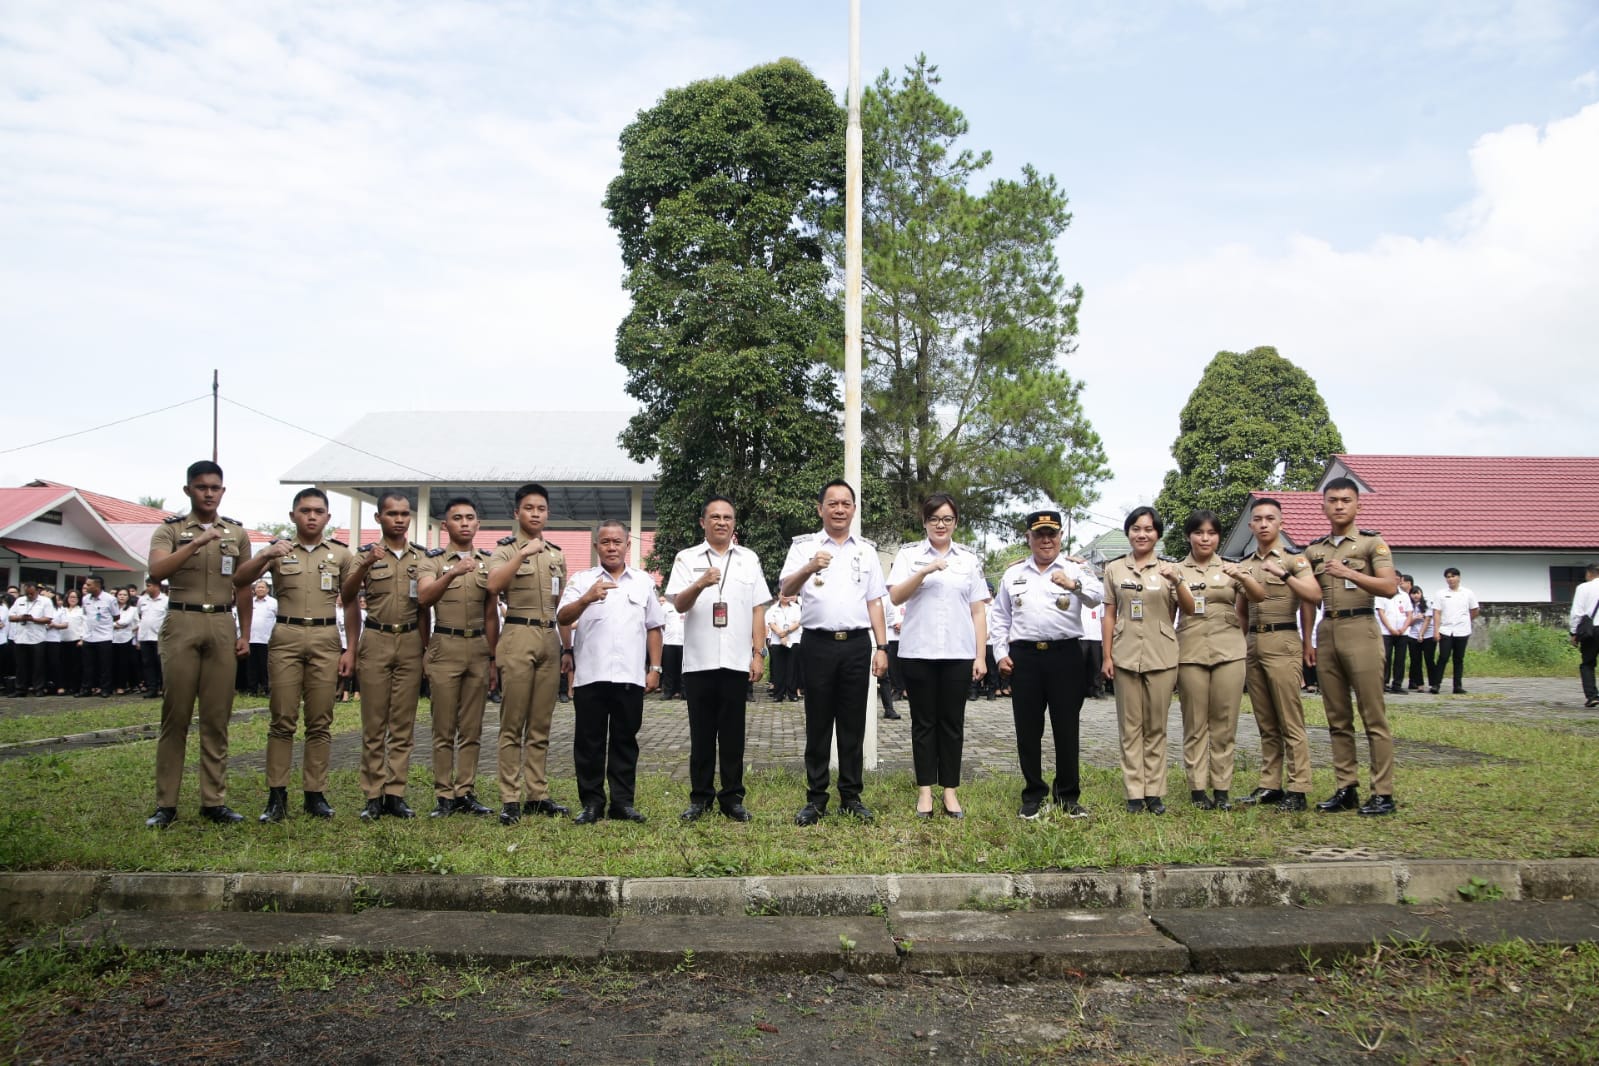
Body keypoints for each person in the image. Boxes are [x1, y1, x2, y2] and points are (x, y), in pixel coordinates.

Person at [231, 488, 357, 822]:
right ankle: (277, 795)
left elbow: (353, 602)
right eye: (304, 510)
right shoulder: (277, 550)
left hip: (326, 636)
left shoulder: (341, 555)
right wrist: (264, 555)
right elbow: (240, 580)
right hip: (286, 635)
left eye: (318, 511)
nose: (311, 516)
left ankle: (315, 794)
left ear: (328, 518)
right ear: (293, 515)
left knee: (320, 720)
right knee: (282, 718)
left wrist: (352, 648)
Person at [145, 460, 254, 828]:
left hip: (222, 623)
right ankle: (166, 804)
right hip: (182, 620)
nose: (209, 493)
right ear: (188, 490)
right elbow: (157, 572)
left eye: (215, 488)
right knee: (175, 716)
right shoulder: (170, 530)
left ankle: (213, 801)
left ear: (223, 491)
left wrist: (244, 633)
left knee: (216, 717)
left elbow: (243, 584)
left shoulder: (236, 534)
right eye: (202, 487)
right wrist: (197, 544)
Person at [778, 479, 890, 826]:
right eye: (832, 504)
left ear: (854, 510)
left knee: (853, 724)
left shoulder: (866, 551)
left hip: (857, 645)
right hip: (817, 645)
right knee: (819, 722)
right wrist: (810, 566)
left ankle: (851, 796)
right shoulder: (804, 547)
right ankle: (816, 798)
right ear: (820, 509)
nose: (839, 509)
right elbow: (785, 589)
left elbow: (875, 602)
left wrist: (882, 647)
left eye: (846, 504)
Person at [991, 509, 1101, 820]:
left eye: (1052, 534)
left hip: (1065, 655)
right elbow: (1000, 617)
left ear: (1061, 537)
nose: (1046, 540)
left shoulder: (1075, 568)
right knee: (1027, 729)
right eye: (1039, 534)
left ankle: (1067, 795)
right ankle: (1033, 794)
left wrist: (1073, 585)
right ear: (1028, 537)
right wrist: (1000, 654)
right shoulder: (1013, 574)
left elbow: (1098, 597)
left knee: (1067, 728)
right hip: (1024, 657)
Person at [666, 496, 770, 822]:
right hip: (699, 660)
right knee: (701, 734)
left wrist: (758, 654)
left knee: (732, 734)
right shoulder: (686, 558)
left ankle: (732, 798)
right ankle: (700, 798)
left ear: (734, 523)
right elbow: (680, 604)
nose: (721, 522)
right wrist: (700, 582)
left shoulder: (748, 559)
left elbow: (757, 609)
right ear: (703, 522)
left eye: (727, 517)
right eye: (715, 517)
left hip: (737, 661)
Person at [886, 494, 990, 820]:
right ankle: (925, 792)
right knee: (923, 723)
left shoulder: (969, 560)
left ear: (955, 522)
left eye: (946, 519)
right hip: (918, 651)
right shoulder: (909, 555)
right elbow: (895, 595)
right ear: (925, 522)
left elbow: (978, 611)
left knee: (952, 724)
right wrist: (925, 571)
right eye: (934, 519)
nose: (940, 525)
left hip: (958, 653)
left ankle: (950, 791)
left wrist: (980, 655)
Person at [557, 520, 664, 824]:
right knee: (588, 742)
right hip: (591, 675)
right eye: (605, 542)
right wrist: (586, 598)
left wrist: (655, 668)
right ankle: (591, 803)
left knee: (625, 741)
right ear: (597, 547)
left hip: (630, 676)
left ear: (628, 546)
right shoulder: (582, 580)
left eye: (618, 542)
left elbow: (654, 627)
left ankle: (622, 803)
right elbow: (562, 616)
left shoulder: (642, 581)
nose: (612, 547)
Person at [1303, 476, 1399, 816]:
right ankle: (1347, 787)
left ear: (1358, 504)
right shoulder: (1314, 550)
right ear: (1324, 505)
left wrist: (1350, 573)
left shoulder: (1374, 544)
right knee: (1337, 717)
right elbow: (1308, 599)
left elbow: (1389, 587)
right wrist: (1307, 641)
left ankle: (1383, 792)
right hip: (1327, 629)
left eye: (1346, 499)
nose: (1339, 505)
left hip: (1362, 627)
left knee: (1373, 715)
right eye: (1333, 500)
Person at [486, 483, 570, 824]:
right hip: (517, 633)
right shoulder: (504, 551)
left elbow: (560, 603)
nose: (536, 514)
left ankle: (537, 793)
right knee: (513, 722)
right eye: (529, 508)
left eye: (541, 509)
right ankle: (510, 797)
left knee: (540, 723)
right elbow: (493, 587)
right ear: (516, 513)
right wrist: (523, 553)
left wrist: (568, 648)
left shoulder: (556, 554)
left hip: (549, 637)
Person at [342, 492, 429, 821]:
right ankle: (373, 794)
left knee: (403, 723)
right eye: (392, 514)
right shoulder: (364, 554)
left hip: (409, 640)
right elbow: (347, 595)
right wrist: (365, 564)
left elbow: (424, 609)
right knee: (374, 722)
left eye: (405, 514)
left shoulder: (421, 557)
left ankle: (396, 793)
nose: (399, 519)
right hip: (376, 638)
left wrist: (425, 648)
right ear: (378, 518)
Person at [1101, 507, 1191, 814]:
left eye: (1149, 529)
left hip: (1162, 654)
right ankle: (1134, 792)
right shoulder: (1114, 569)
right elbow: (1110, 614)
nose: (1142, 534)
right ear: (1128, 533)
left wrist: (1178, 581)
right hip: (1124, 654)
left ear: (1158, 534)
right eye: (1136, 528)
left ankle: (1154, 791)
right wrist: (1106, 656)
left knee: (1156, 726)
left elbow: (1190, 609)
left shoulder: (1171, 568)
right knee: (1130, 727)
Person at [1235, 498, 1321, 812]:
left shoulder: (1294, 560)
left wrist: (1283, 575)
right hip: (1255, 643)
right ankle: (1271, 784)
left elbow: (1314, 596)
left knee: (1290, 719)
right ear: (1250, 526)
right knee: (1266, 720)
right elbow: (1242, 610)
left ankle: (1298, 788)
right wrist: (1244, 641)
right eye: (1257, 519)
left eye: (1270, 518)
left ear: (1280, 524)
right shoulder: (1245, 564)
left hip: (1284, 640)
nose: (1263, 524)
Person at [1175, 510, 1263, 811]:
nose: (1205, 538)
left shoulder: (1230, 569)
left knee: (1225, 724)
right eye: (1199, 532)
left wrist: (1243, 576)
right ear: (1189, 535)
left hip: (1229, 651)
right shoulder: (1175, 571)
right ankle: (1198, 789)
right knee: (1195, 723)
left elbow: (1258, 595)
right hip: (1190, 652)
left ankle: (1222, 788)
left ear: (1218, 537)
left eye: (1211, 533)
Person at [416, 497, 498, 819]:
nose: (464, 523)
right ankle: (443, 795)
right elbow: (423, 598)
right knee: (443, 725)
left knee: (472, 726)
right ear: (444, 526)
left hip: (477, 647)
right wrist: (453, 572)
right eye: (457, 518)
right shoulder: (431, 561)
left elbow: (492, 615)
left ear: (478, 525)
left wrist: (493, 658)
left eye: (470, 518)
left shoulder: (488, 563)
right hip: (445, 644)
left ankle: (465, 791)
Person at [1430, 568, 1480, 695]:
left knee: (1458, 659)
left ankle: (1457, 686)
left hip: (1462, 630)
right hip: (1446, 630)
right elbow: (1437, 612)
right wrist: (1436, 631)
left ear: (1458, 577)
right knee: (1443, 657)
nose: (1450, 579)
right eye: (1447, 577)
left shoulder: (1468, 593)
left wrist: (1466, 620)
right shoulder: (1440, 594)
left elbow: (1475, 609)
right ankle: (1436, 685)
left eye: (1452, 576)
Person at [8, 584, 50, 696]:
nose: (29, 596)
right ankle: (20, 689)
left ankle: (38, 688)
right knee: (21, 665)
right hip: (21, 637)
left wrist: (33, 619)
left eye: (32, 593)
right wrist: (21, 617)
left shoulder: (45, 601)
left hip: (37, 638)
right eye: (27, 593)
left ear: (37, 591)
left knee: (38, 665)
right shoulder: (19, 600)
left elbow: (48, 618)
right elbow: (11, 617)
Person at [80, 576, 117, 697]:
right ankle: (86, 688)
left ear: (97, 586)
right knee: (88, 665)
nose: (86, 587)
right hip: (89, 636)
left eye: (89, 585)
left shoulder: (109, 599)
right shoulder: (85, 599)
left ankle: (105, 689)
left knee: (104, 665)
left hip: (104, 637)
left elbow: (116, 616)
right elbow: (86, 614)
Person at [1569, 563, 1599, 708]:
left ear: (1589, 573)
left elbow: (1577, 613)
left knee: (1588, 663)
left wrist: (1574, 633)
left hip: (1591, 630)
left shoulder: (1583, 588)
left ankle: (1592, 696)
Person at [1378, 576, 1412, 695]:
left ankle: (1397, 684)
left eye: (1398, 579)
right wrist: (1391, 629)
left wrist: (1404, 628)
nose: (1396, 581)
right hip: (1386, 632)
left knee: (1400, 659)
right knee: (1385, 657)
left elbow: (1409, 614)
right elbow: (1381, 613)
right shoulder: (1381, 594)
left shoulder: (1404, 595)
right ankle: (1383, 683)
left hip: (1402, 632)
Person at [766, 594, 801, 702]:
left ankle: (792, 693)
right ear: (778, 595)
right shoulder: (773, 609)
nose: (785, 596)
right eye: (782, 593)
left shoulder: (796, 607)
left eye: (788, 593)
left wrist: (786, 632)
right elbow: (771, 624)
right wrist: (781, 634)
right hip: (777, 641)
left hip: (793, 640)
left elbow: (798, 622)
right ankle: (778, 694)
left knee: (792, 668)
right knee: (778, 668)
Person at [136, 579, 167, 697]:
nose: (147, 588)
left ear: (157, 586)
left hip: (159, 637)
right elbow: (140, 615)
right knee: (148, 664)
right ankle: (152, 688)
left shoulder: (165, 600)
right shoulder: (142, 600)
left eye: (149, 586)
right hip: (145, 636)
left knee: (161, 664)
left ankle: (164, 688)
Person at [246, 580, 277, 696]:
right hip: (252, 639)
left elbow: (278, 619)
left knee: (266, 666)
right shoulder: (250, 602)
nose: (260, 589)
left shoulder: (273, 603)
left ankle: (267, 689)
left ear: (268, 589)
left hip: (266, 639)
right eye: (258, 587)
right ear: (254, 589)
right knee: (252, 667)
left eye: (263, 587)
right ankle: (252, 690)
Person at [1403, 583, 1433, 692]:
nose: (1415, 596)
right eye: (1413, 594)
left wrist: (1421, 634)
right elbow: (1407, 622)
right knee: (1416, 661)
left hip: (1428, 635)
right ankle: (1419, 684)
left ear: (1421, 593)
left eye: (1417, 593)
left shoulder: (1428, 603)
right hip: (1412, 636)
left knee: (1429, 660)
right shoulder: (1409, 606)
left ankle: (1433, 684)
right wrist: (1415, 617)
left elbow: (1428, 619)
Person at [877, 598, 904, 720]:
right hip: (860, 637)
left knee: (884, 676)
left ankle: (889, 709)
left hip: (881, 640)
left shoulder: (885, 598)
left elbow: (889, 616)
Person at [111, 588, 139, 693]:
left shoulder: (132, 609)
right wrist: (114, 625)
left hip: (126, 638)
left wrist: (117, 624)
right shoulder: (112, 609)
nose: (122, 597)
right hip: (112, 638)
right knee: (112, 663)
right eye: (120, 594)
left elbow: (126, 622)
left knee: (123, 663)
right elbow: (107, 621)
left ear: (128, 597)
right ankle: (112, 685)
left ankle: (121, 686)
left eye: (125, 595)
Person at [659, 595, 685, 700]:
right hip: (669, 642)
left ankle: (684, 692)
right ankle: (668, 692)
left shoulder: (686, 604)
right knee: (668, 669)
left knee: (683, 669)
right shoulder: (665, 606)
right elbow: (662, 623)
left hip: (684, 642)